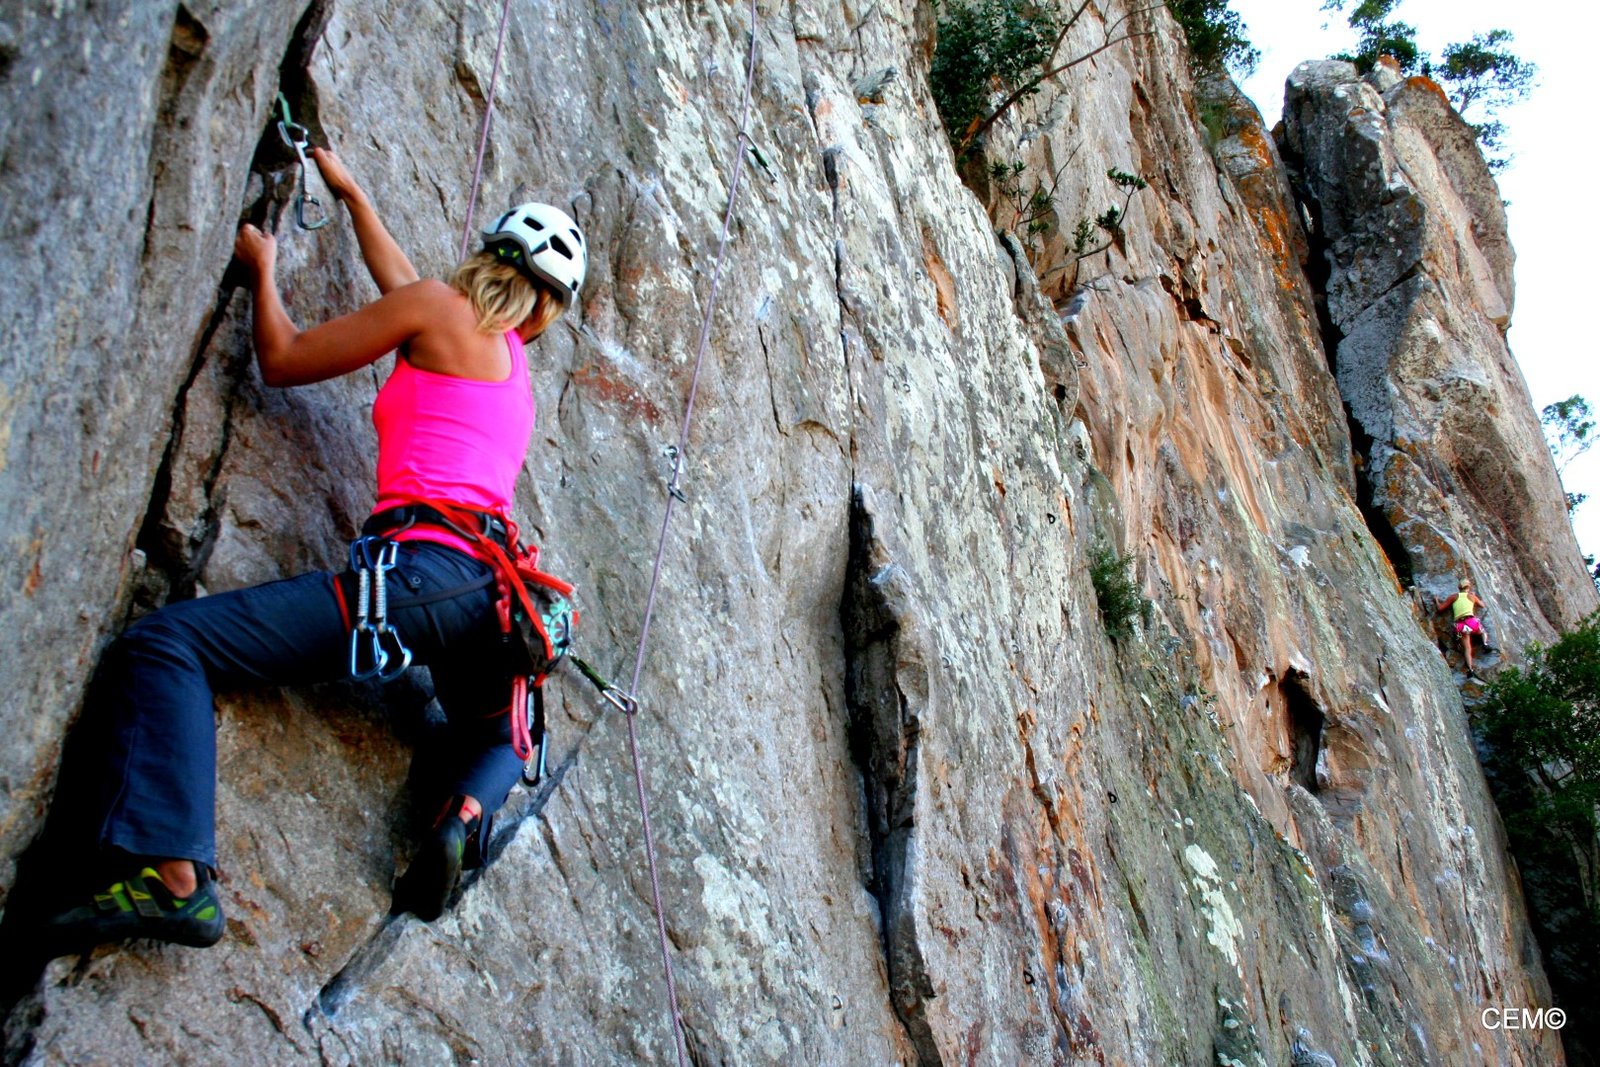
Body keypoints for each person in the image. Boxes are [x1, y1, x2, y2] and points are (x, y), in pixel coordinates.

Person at [33, 146, 586, 955]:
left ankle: (174, 882)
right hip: (488, 597)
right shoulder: (509, 369)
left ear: (483, 257)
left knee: (167, 645)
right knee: (500, 727)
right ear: (542, 315)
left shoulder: (439, 310)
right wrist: (356, 198)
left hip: (417, 581)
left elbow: (284, 359)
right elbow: (407, 291)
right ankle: (466, 810)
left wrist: (264, 268)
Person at [1437, 577, 1487, 676]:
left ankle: (1470, 670)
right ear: (1468, 587)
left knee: (1467, 648)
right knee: (1483, 632)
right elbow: (1482, 605)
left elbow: (1440, 608)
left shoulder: (1454, 597)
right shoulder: (1472, 597)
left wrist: (1436, 601)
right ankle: (1485, 644)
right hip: (1472, 623)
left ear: (1459, 587)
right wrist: (1475, 596)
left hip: (1460, 626)